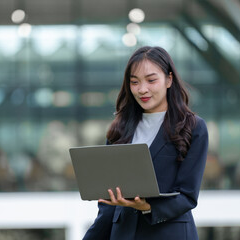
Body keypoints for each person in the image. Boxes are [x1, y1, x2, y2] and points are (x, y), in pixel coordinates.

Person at [83, 46, 208, 240]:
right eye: (134, 82)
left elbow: (188, 196)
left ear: (169, 79)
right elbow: (107, 208)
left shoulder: (193, 127)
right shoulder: (119, 130)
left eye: (151, 80)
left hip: (169, 234)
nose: (142, 89)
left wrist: (147, 207)